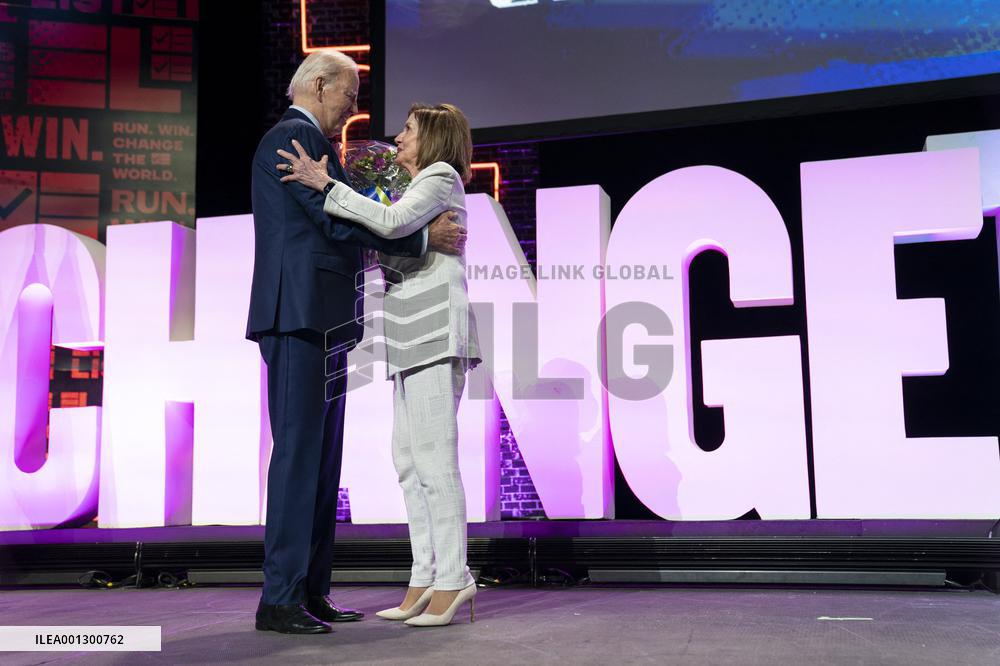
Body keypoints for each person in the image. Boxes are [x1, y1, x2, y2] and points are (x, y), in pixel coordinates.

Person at [247, 53, 468, 635]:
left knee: (321, 465)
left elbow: (349, 215)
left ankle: (310, 590)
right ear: (320, 85)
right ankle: (281, 597)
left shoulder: (315, 143)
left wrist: (405, 229)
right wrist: (423, 235)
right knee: (299, 459)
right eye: (349, 92)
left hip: (323, 319)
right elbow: (335, 219)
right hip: (296, 316)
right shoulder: (295, 138)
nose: (353, 105)